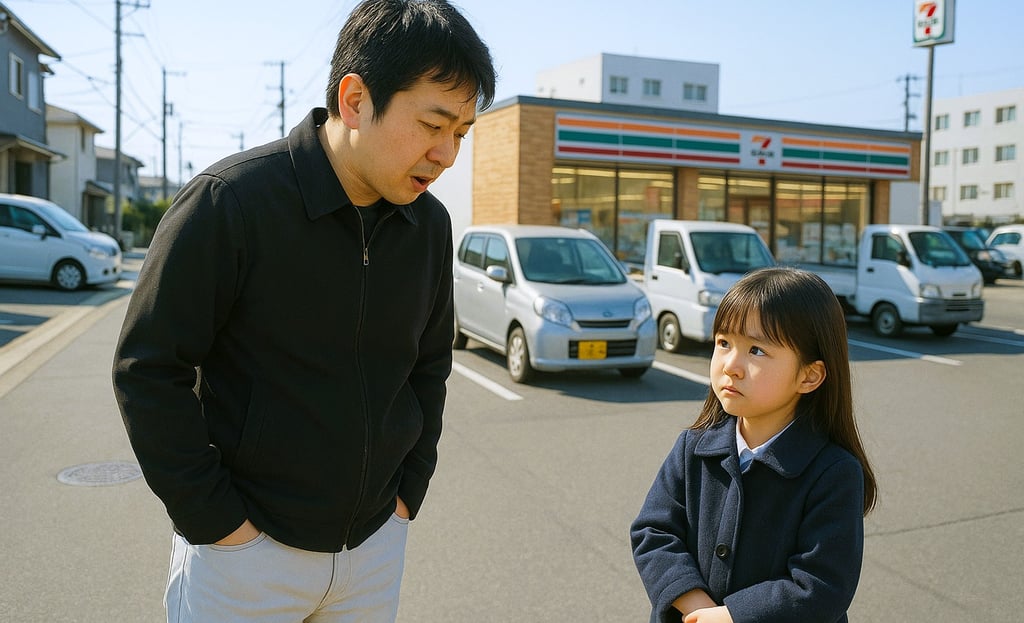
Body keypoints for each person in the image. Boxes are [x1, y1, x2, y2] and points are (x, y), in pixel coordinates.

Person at [111, 1, 495, 620]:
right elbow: (148, 368)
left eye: (462, 133)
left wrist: (406, 500)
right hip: (243, 562)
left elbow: (428, 368)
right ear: (354, 100)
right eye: (433, 124)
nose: (447, 153)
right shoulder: (231, 202)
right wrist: (217, 525)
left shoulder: (428, 225)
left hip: (373, 551)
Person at [630, 267, 877, 623]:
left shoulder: (833, 472)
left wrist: (731, 616)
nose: (731, 366)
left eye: (757, 350)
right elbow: (653, 531)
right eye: (724, 343)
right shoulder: (694, 446)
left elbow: (821, 586)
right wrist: (698, 608)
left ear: (809, 375)